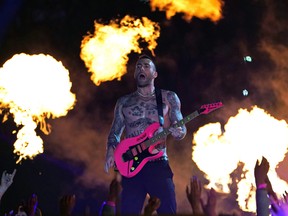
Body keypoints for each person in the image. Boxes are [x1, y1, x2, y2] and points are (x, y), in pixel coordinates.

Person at [104, 54, 187, 215]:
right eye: (138, 66)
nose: (141, 68)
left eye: (146, 66)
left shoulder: (168, 97)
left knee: (168, 211)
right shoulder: (124, 102)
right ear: (135, 74)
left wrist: (179, 132)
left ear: (155, 74)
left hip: (158, 164)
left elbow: (180, 128)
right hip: (131, 166)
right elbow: (115, 132)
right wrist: (110, 149)